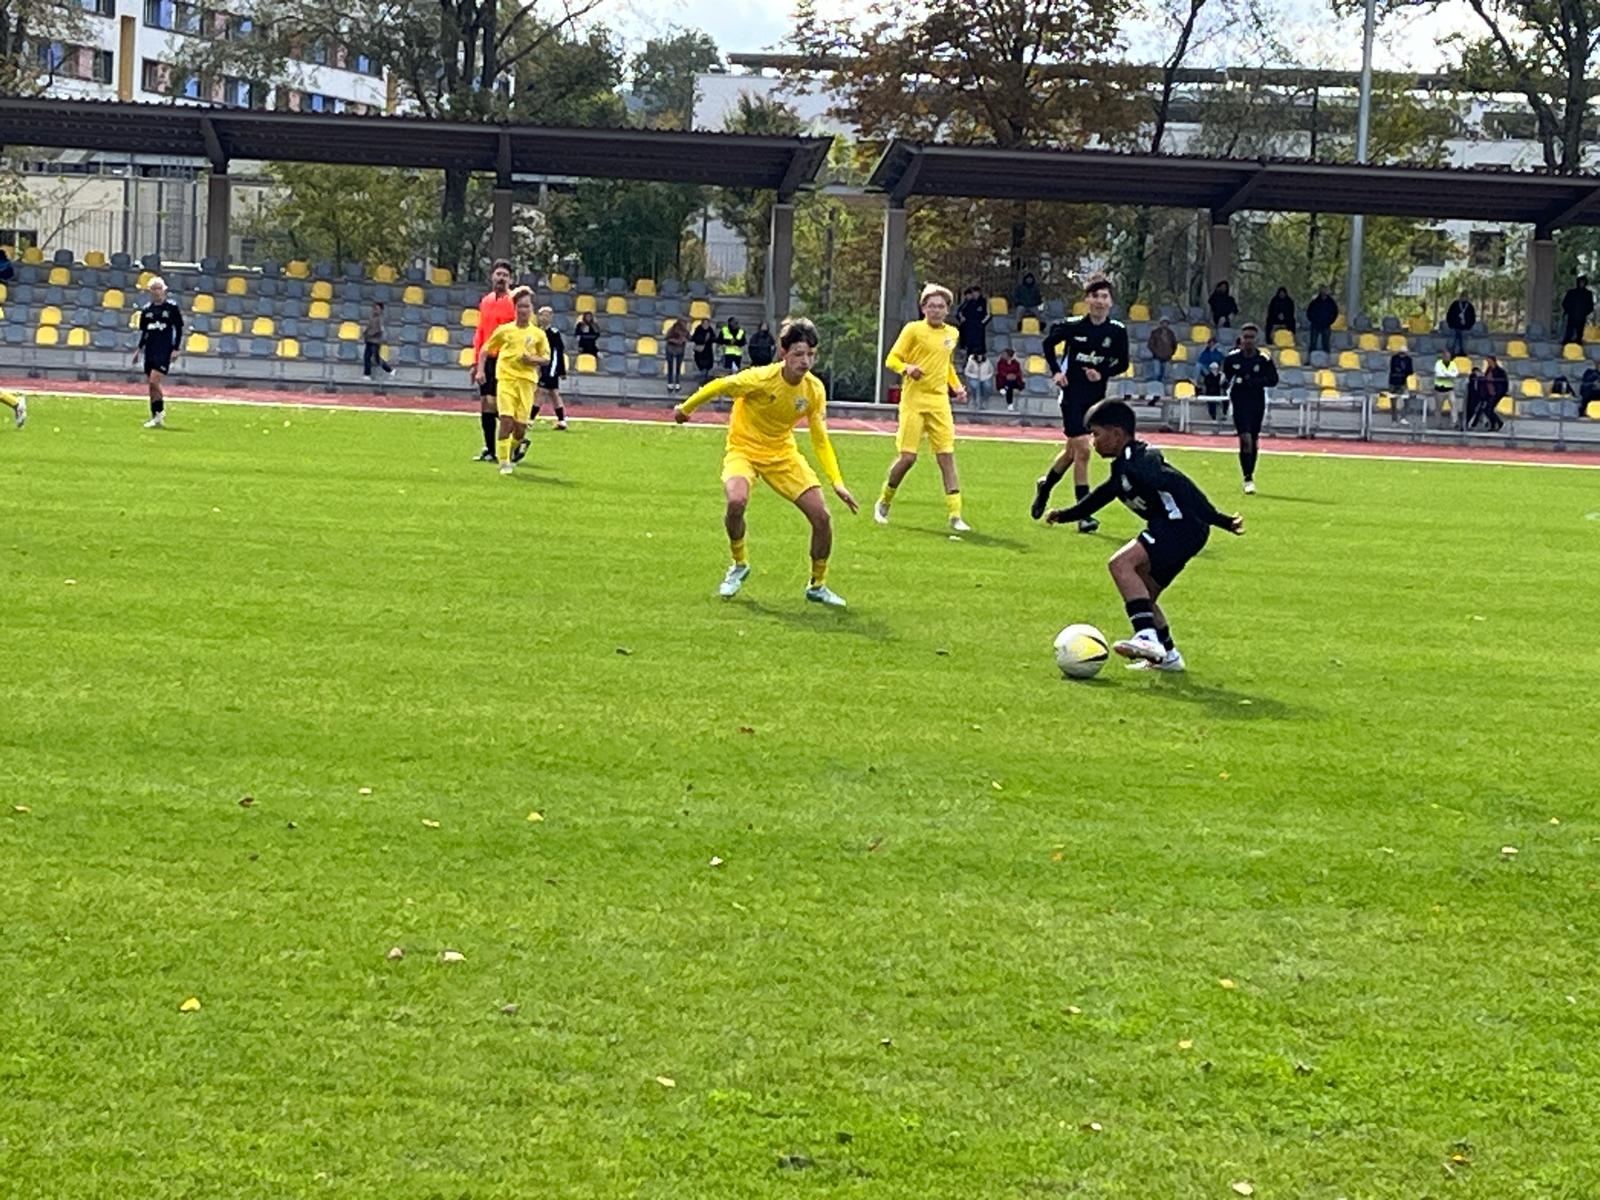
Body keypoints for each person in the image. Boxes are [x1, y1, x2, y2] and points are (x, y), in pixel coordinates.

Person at [1044, 398, 1244, 673]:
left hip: (1179, 527)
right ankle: (1169, 656)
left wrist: (1220, 519)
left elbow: (1182, 486)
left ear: (1116, 434)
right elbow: (1101, 496)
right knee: (1144, 597)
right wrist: (1065, 515)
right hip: (1185, 531)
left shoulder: (1143, 461)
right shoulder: (1122, 467)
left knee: (1120, 564)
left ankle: (1146, 638)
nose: (1093, 441)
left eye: (1096, 434)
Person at [673, 317, 857, 608]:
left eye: (811, 354)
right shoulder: (760, 378)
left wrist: (837, 482)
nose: (805, 361)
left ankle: (817, 584)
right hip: (743, 450)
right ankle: (739, 564)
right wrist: (685, 409)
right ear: (783, 353)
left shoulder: (814, 390)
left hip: (782, 455)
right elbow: (720, 385)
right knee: (736, 502)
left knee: (822, 518)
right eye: (798, 354)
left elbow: (820, 438)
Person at [1031, 274, 1130, 529]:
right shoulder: (1073, 326)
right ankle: (1083, 514)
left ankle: (1045, 486)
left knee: (1071, 452)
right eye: (1095, 296)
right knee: (1084, 451)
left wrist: (1102, 372)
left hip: (1095, 400)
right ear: (1087, 300)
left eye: (1104, 296)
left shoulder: (1116, 331)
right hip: (1071, 396)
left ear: (1111, 301)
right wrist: (1056, 371)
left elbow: (1122, 363)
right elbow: (1048, 344)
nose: (1100, 301)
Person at [875, 282, 970, 533]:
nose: (936, 310)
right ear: (923, 308)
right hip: (914, 401)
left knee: (946, 456)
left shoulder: (952, 334)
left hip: (939, 402)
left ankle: (955, 515)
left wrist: (956, 387)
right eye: (931, 306)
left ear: (947, 309)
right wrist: (907, 368)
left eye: (940, 306)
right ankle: (884, 501)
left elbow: (946, 365)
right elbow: (892, 359)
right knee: (908, 457)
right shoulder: (913, 330)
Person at [472, 285, 550, 476]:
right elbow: (485, 349)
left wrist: (532, 360)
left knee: (520, 429)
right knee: (506, 420)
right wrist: (480, 370)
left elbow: (546, 359)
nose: (524, 310)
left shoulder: (538, 334)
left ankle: (512, 449)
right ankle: (504, 462)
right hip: (506, 379)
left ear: (532, 309)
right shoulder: (504, 330)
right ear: (515, 309)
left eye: (527, 306)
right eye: (520, 306)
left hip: (527, 382)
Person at [1222, 322, 1278, 494]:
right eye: (1246, 337)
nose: (1248, 340)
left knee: (1253, 440)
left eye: (1251, 337)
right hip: (1239, 402)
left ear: (1256, 339)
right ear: (1241, 338)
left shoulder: (1263, 359)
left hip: (1256, 402)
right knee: (1244, 438)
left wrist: (1254, 381)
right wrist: (1225, 382)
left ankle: (1250, 473)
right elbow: (1226, 377)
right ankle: (1247, 478)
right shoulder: (1232, 358)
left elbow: (1273, 380)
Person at [468, 259, 516, 462]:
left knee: (497, 404)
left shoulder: (514, 302)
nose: (501, 278)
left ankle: (516, 436)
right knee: (485, 404)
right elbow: (480, 332)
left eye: (505, 275)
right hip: (487, 359)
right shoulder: (486, 301)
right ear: (492, 277)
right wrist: (475, 362)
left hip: (505, 360)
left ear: (510, 279)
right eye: (498, 274)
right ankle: (490, 449)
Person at [131, 276, 183, 429]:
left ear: (164, 290)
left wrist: (176, 348)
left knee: (154, 381)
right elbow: (145, 332)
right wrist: (138, 350)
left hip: (164, 350)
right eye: (153, 289)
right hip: (150, 350)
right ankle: (156, 415)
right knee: (151, 385)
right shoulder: (147, 310)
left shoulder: (171, 308)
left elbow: (178, 329)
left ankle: (160, 412)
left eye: (158, 288)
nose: (156, 292)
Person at [529, 304, 568, 439]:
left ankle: (530, 419)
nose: (544, 318)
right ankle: (561, 420)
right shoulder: (536, 332)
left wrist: (559, 370)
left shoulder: (554, 333)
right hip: (541, 366)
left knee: (541, 392)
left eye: (547, 315)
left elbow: (557, 353)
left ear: (551, 317)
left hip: (550, 367)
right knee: (553, 393)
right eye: (542, 315)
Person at [957, 286, 990, 362]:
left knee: (979, 348)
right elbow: (961, 312)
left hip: (978, 329)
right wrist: (962, 318)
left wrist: (981, 324)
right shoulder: (969, 302)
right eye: (973, 292)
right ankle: (969, 363)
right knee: (970, 348)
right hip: (969, 329)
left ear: (979, 292)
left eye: (975, 292)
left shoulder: (984, 302)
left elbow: (988, 315)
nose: (974, 294)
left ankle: (980, 362)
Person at [362, 301, 394, 379]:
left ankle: (389, 370)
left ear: (381, 310)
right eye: (374, 308)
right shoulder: (371, 317)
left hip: (375, 342)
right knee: (367, 357)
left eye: (376, 308)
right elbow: (369, 327)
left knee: (376, 359)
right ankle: (367, 374)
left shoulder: (380, 319)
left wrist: (370, 334)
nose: (374, 310)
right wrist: (365, 334)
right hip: (369, 340)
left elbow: (379, 330)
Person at [1306, 286, 1338, 355]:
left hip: (1326, 325)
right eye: (1322, 290)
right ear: (1320, 291)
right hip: (1315, 325)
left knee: (1326, 344)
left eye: (1324, 290)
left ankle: (1327, 359)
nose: (1323, 292)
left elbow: (1335, 312)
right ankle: (1311, 358)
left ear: (1327, 291)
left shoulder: (1331, 302)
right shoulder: (1315, 301)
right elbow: (1309, 311)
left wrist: (1330, 321)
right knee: (1313, 343)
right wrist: (1313, 320)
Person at [1562, 275, 1594, 345]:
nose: (1581, 283)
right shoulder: (1571, 292)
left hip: (1582, 315)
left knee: (1580, 329)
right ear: (1578, 282)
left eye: (1583, 282)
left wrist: (1585, 313)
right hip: (1572, 314)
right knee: (1570, 329)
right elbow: (1565, 303)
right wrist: (1569, 311)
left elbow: (1590, 305)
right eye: (1580, 282)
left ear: (1585, 283)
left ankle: (1578, 341)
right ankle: (1567, 341)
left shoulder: (1588, 294)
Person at [1479, 355, 1508, 431]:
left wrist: (1500, 392)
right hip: (1489, 393)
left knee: (1489, 409)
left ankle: (1497, 423)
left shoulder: (1500, 371)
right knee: (1487, 409)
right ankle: (1495, 423)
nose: (1489, 363)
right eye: (1488, 362)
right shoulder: (1488, 370)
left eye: (1490, 362)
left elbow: (1504, 383)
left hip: (1496, 393)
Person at [1146, 317, 1177, 386]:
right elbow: (1150, 345)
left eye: (1166, 323)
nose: (1165, 324)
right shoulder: (1155, 333)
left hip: (1166, 357)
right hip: (1157, 357)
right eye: (1163, 323)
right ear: (1160, 323)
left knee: (1163, 375)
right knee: (1157, 373)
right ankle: (1155, 387)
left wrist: (1171, 353)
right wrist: (1156, 352)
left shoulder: (1171, 334)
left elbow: (1174, 345)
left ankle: (1160, 388)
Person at [1387, 344, 1413, 422]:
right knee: (1393, 402)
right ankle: (1394, 419)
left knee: (1406, 401)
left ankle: (1403, 417)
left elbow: (1410, 371)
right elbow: (1394, 369)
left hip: (1403, 382)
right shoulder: (1394, 358)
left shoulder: (1408, 359)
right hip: (1393, 382)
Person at [1445, 294, 1476, 358]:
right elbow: (1449, 314)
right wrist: (1450, 324)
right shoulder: (1455, 304)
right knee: (1452, 343)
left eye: (1465, 297)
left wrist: (1469, 326)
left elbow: (1473, 317)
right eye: (1463, 297)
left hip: (1465, 329)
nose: (1464, 298)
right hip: (1454, 328)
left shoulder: (1470, 306)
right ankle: (1451, 355)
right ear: (1460, 297)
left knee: (1464, 344)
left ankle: (1462, 356)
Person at [995, 347, 1024, 412]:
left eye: (1004, 354)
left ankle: (1005, 389)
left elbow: (1018, 372)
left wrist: (1014, 376)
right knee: (1009, 385)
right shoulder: (1000, 362)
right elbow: (1000, 371)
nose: (1002, 355)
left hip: (1014, 381)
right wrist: (1006, 376)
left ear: (1009, 356)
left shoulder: (1016, 363)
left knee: (1010, 383)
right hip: (1004, 380)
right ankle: (1010, 404)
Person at [1433, 354, 1459, 425]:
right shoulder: (1438, 364)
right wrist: (1449, 375)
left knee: (1454, 405)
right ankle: (1438, 423)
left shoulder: (1453, 364)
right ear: (1443, 357)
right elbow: (1439, 374)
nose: (1448, 358)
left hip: (1450, 389)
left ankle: (1454, 422)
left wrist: (1445, 374)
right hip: (1439, 389)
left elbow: (1455, 374)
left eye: (1449, 357)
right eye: (1446, 357)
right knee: (1438, 407)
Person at [664, 319, 689, 393]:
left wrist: (684, 340)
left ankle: (677, 383)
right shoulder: (671, 330)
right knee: (670, 367)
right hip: (670, 349)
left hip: (680, 350)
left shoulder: (685, 332)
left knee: (678, 367)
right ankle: (670, 384)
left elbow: (690, 338)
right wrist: (675, 341)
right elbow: (667, 338)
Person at [692, 317, 716, 383]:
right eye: (705, 323)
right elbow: (694, 338)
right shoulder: (698, 329)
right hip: (700, 351)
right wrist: (704, 339)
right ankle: (702, 376)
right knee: (700, 363)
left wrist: (710, 338)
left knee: (708, 364)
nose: (706, 325)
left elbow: (713, 338)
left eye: (707, 323)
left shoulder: (710, 330)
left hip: (708, 351)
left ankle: (705, 376)